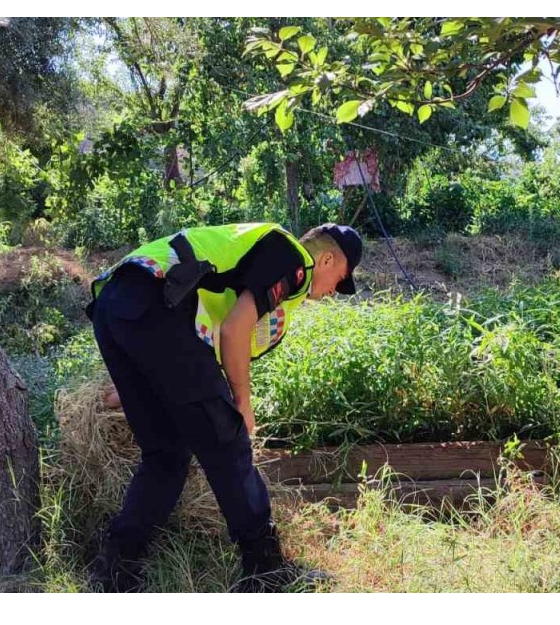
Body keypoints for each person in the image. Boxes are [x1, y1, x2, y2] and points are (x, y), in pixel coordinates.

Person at [84, 222, 362, 592]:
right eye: (340, 281)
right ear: (327, 259)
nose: (332, 293)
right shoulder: (292, 257)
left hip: (116, 306)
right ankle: (266, 571)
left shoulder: (248, 252)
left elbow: (193, 352)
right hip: (154, 308)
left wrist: (136, 387)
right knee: (228, 442)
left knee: (165, 455)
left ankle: (114, 567)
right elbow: (234, 330)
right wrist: (242, 403)